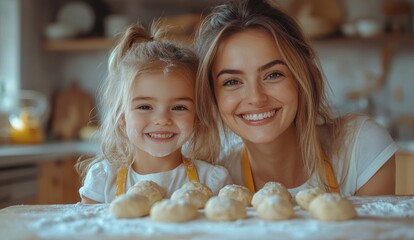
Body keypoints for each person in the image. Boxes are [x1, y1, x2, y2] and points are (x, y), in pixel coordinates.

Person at [194, 0, 397, 196]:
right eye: (232, 82)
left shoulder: (360, 148)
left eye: (273, 75)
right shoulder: (212, 178)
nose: (256, 98)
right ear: (211, 94)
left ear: (303, 78)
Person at [76, 23, 231, 204]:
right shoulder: (102, 180)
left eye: (179, 107)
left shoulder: (213, 181)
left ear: (197, 116)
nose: (162, 120)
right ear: (122, 115)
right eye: (145, 107)